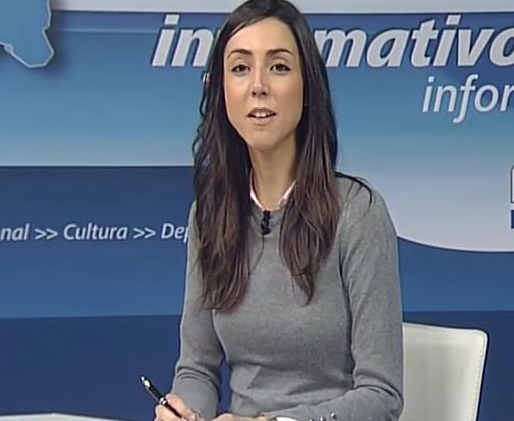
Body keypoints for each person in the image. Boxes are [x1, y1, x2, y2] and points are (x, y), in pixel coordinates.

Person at [154, 0, 404, 421]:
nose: (258, 86)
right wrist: (185, 410)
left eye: (279, 67)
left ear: (307, 89)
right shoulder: (209, 217)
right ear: (222, 92)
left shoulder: (358, 214)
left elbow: (382, 396)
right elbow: (197, 369)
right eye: (240, 68)